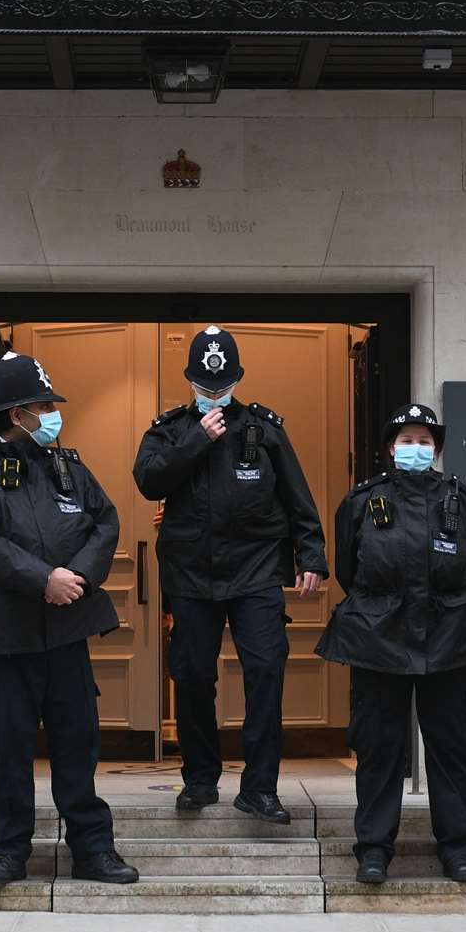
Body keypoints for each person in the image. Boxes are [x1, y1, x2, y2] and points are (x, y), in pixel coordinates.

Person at [0, 352, 139, 889]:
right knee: (8, 746)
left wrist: (76, 576)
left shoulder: (67, 466)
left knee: (78, 742)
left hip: (65, 631)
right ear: (16, 412)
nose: (53, 415)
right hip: (2, 635)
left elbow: (105, 521)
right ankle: (8, 853)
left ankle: (93, 850)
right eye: (45, 405)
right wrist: (40, 578)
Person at [133, 325, 328, 824]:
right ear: (190, 379)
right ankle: (200, 779)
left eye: (222, 386)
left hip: (256, 571)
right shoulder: (171, 429)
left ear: (238, 378)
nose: (214, 394)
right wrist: (196, 441)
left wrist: (311, 556)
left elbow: (297, 497)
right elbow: (148, 480)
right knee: (193, 675)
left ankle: (260, 788)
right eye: (205, 386)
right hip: (191, 575)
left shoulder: (264, 429)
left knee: (266, 669)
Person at [315, 403, 466, 885]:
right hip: (379, 641)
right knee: (380, 749)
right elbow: (349, 572)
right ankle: (373, 849)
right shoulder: (361, 501)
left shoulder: (463, 501)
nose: (416, 449)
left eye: (425, 442)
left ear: (436, 450)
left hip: (448, 639)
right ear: (391, 448)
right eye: (407, 441)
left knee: (451, 749)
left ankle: (457, 849)